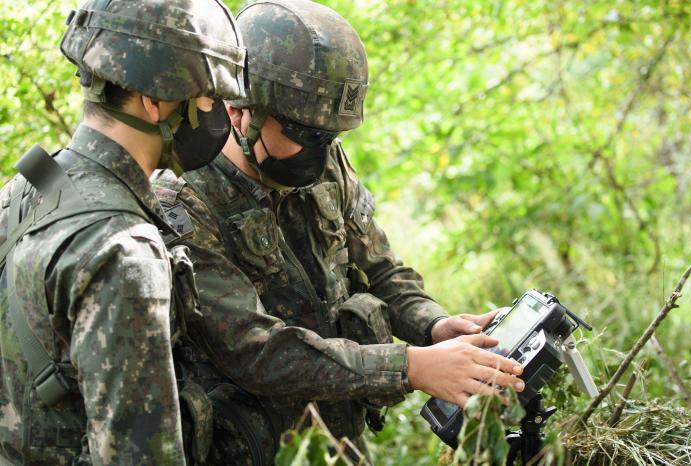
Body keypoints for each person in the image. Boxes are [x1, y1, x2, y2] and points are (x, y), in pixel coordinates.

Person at [152, 0, 524, 462]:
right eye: (306, 134)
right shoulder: (183, 205)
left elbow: (382, 270)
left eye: (331, 136)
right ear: (239, 113)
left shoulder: (324, 166)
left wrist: (434, 326)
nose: (322, 152)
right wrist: (409, 366)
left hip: (340, 445)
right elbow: (255, 352)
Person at [0, 0, 246, 463]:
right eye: (209, 98)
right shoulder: (124, 251)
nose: (218, 117)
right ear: (154, 100)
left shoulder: (29, 185)